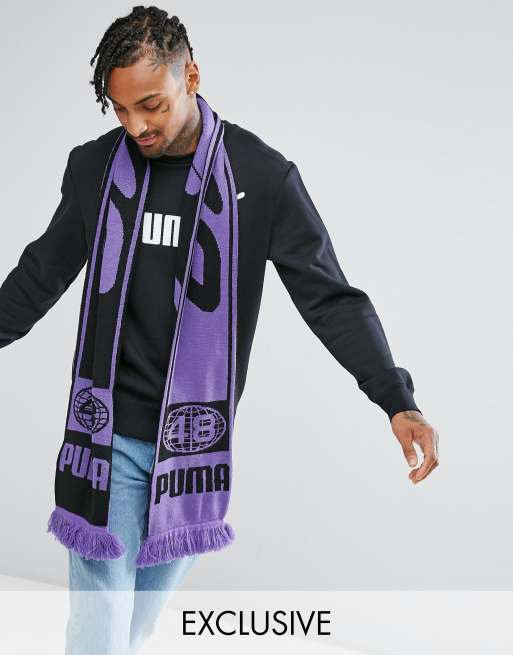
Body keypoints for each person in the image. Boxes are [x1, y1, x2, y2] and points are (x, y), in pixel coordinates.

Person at [0, 5, 439, 654]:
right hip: (106, 436)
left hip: (192, 450)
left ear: (191, 76)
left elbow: (328, 296)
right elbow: (41, 273)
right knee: (101, 632)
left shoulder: (260, 177)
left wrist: (396, 399)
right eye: (120, 110)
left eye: (150, 104)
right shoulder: (95, 168)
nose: (135, 126)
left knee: (133, 629)